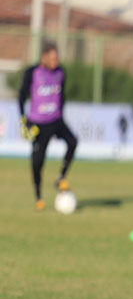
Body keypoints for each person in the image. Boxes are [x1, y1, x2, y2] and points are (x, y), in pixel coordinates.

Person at [18, 43, 78, 210]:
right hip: (39, 123)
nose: (56, 62)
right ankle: (38, 196)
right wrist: (23, 118)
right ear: (44, 57)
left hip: (56, 120)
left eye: (57, 59)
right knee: (37, 162)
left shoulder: (61, 72)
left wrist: (61, 113)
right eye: (52, 59)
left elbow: (62, 95)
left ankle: (61, 178)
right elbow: (22, 95)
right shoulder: (32, 72)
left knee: (73, 142)